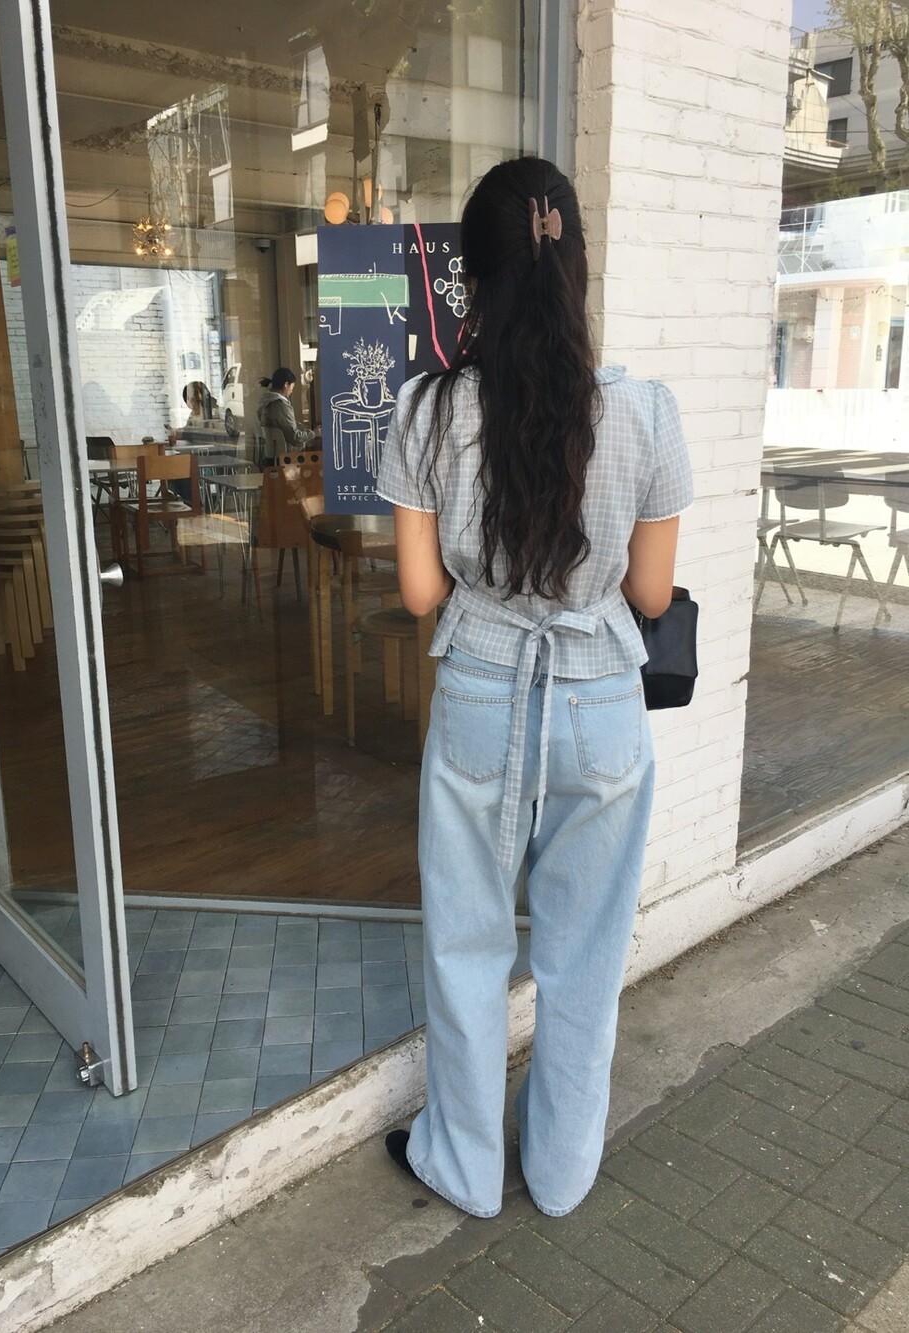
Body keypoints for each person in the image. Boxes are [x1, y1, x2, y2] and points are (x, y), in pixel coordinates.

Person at [375, 157, 693, 1220]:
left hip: (480, 690)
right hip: (601, 701)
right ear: (578, 271)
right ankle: (559, 1173)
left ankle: (464, 1167)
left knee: (466, 942)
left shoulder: (426, 411)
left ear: (472, 280)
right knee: (584, 954)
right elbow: (651, 594)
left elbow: (421, 593)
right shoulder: (646, 413)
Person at [256, 366, 318, 462]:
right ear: (286, 385)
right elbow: (294, 437)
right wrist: (314, 433)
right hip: (287, 457)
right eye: (292, 386)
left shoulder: (265, 403)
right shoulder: (280, 405)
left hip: (271, 456)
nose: (292, 390)